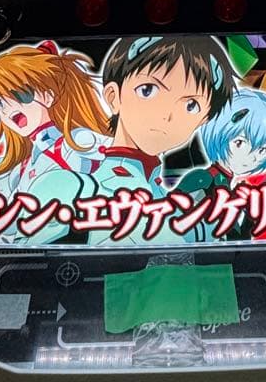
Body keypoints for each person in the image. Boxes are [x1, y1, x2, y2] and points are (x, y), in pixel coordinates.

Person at [90, 34, 236, 245]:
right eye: (147, 90)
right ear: (113, 97)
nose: (167, 115)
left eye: (191, 105)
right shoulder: (79, 185)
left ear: (202, 120)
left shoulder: (156, 187)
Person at [0, 40, 110, 244]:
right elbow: (15, 219)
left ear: (48, 95)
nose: (9, 109)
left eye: (20, 95)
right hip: (36, 246)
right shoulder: (25, 164)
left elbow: (116, 167)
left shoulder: (80, 140)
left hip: (86, 236)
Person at [178, 87, 266, 240]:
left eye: (263, 150)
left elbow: (238, 241)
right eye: (240, 143)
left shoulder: (234, 188)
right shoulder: (203, 179)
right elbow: (175, 221)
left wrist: (249, 216)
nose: (252, 157)